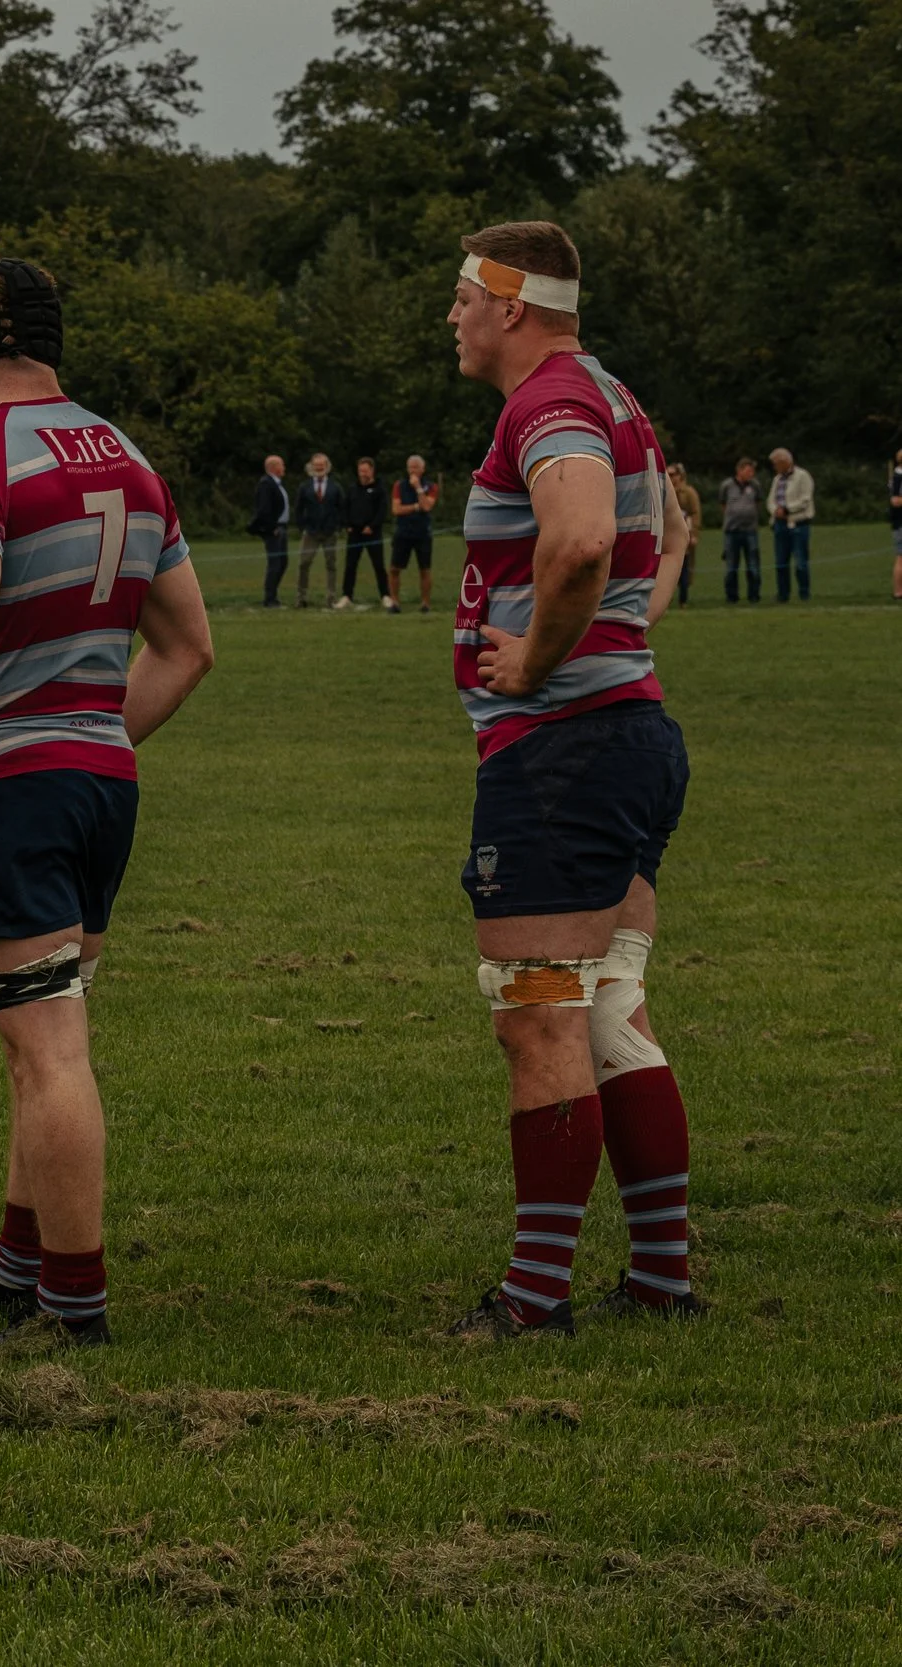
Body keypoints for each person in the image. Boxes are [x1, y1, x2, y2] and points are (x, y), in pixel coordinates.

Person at [0, 257, 215, 1340]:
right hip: (98, 781)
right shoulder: (128, 455)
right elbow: (189, 649)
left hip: (16, 787)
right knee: (41, 1031)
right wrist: (89, 735)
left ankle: (74, 1305)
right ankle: (14, 1267)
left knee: (47, 1049)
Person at [442, 220, 702, 1339]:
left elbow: (583, 537)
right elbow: (660, 534)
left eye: (461, 297)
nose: (450, 316)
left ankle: (533, 1298)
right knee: (607, 1011)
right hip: (626, 735)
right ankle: (658, 1274)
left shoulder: (544, 400)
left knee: (535, 1015)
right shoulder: (609, 392)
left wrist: (536, 657)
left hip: (564, 751)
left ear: (510, 302)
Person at [390, 454, 440, 613]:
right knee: (394, 568)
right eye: (411, 467)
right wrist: (416, 507)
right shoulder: (399, 485)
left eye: (416, 467)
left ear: (423, 469)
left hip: (423, 533)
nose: (413, 470)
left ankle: (425, 603)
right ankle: (395, 602)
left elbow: (427, 506)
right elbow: (396, 509)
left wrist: (418, 488)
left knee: (424, 569)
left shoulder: (431, 487)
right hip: (403, 532)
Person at [294, 451, 345, 609]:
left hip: (330, 532)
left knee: (331, 565)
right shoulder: (305, 487)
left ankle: (331, 598)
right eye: (316, 466)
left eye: (322, 465)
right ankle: (301, 598)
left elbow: (341, 508)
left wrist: (338, 526)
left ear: (327, 467)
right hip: (311, 532)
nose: (319, 468)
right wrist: (302, 526)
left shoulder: (335, 487)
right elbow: (298, 508)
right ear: (311, 467)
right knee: (304, 563)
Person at [341, 457, 390, 608]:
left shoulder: (379, 489)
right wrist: (347, 524)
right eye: (360, 470)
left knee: (378, 565)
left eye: (365, 470)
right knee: (350, 565)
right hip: (354, 533)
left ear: (372, 471)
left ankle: (385, 595)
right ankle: (347, 596)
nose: (363, 473)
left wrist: (372, 526)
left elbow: (382, 511)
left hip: (372, 533)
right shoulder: (352, 489)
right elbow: (345, 507)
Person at [767, 448, 814, 603]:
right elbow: (770, 500)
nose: (774, 467)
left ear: (785, 462)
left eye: (776, 464)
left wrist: (788, 509)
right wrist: (776, 511)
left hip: (798, 523)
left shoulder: (803, 476)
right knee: (781, 562)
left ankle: (804, 593)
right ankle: (783, 594)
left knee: (800, 562)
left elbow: (805, 499)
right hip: (780, 524)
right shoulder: (777, 479)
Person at [719, 459, 762, 603]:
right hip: (732, 531)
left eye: (752, 471)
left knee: (753, 565)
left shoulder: (755, 486)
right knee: (731, 566)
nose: (751, 474)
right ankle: (732, 597)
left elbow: (758, 503)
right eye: (748, 470)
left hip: (750, 531)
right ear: (739, 470)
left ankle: (754, 595)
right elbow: (723, 504)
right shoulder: (727, 485)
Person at [248, 455, 288, 607]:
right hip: (274, 530)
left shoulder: (276, 484)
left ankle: (274, 595)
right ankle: (269, 597)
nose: (284, 468)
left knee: (283, 562)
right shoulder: (266, 484)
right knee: (275, 563)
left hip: (281, 527)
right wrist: (271, 528)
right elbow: (264, 509)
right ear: (274, 467)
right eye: (282, 465)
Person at [666, 463, 701, 607]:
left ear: (680, 475)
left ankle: (683, 600)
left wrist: (694, 534)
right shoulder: (665, 491)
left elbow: (695, 513)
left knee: (684, 568)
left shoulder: (689, 492)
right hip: (666, 534)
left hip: (684, 533)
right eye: (669, 474)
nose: (671, 477)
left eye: (673, 474)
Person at [889, 448, 902, 602]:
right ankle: (898, 592)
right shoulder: (898, 477)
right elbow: (895, 501)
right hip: (901, 523)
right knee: (900, 558)